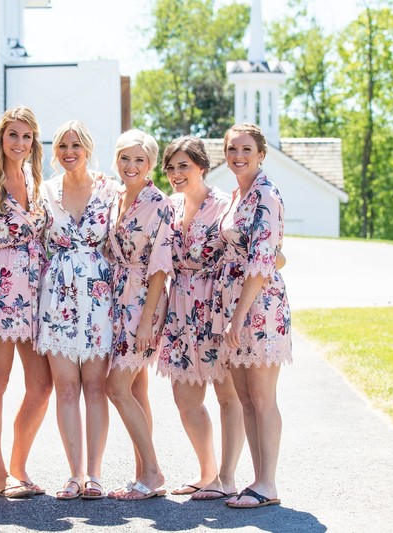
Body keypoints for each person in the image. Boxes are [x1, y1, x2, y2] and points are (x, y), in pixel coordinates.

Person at [0, 106, 51, 499]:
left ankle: (19, 465)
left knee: (42, 385)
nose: (19, 143)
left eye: (27, 137)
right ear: (0, 137)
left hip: (35, 294)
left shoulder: (36, 181)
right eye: (12, 135)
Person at [156, 135, 244, 501]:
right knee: (185, 398)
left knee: (228, 395)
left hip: (216, 304)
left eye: (184, 166)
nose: (177, 174)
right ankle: (207, 472)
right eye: (172, 167)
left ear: (202, 167)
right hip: (180, 307)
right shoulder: (170, 206)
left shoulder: (225, 205)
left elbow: (254, 249)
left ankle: (227, 477)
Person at [37, 120, 119, 500]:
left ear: (87, 148)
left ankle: (95, 474)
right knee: (66, 387)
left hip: (99, 297)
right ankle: (73, 474)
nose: (69, 151)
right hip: (58, 296)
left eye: (76, 144)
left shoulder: (110, 189)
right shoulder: (45, 191)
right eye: (63, 146)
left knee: (96, 386)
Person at [214, 123, 292, 509]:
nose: (238, 156)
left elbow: (263, 262)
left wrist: (238, 316)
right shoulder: (237, 194)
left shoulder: (266, 194)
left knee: (262, 396)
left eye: (246, 149)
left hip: (257, 307)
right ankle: (260, 482)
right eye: (231, 149)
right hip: (235, 304)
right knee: (245, 396)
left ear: (261, 154)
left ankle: (268, 482)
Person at [105, 129, 174, 501]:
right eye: (125, 158)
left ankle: (152, 471)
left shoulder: (158, 203)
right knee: (135, 387)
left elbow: (161, 266)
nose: (131, 166)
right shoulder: (116, 198)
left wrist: (147, 320)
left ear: (149, 165)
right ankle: (142, 474)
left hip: (143, 300)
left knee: (115, 386)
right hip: (117, 297)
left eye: (139, 160)